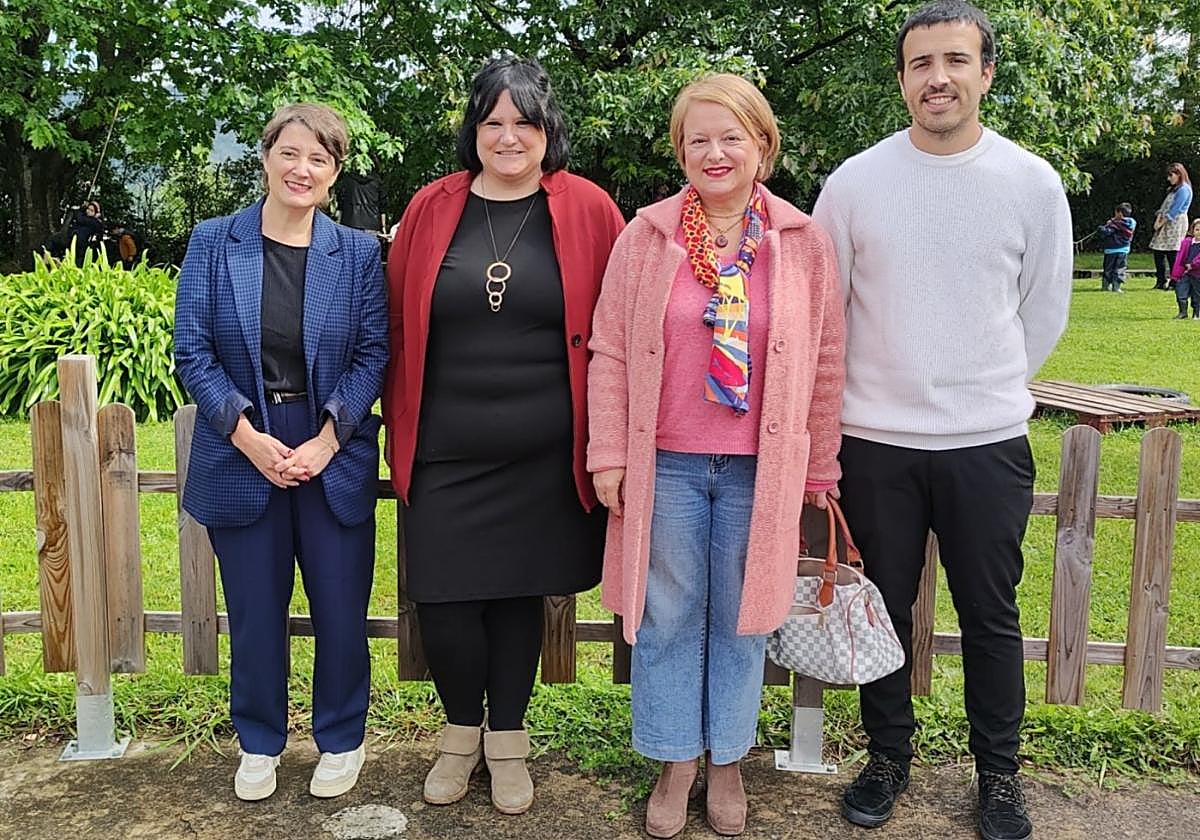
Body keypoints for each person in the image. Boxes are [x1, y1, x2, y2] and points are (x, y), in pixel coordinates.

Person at [812, 3, 1071, 839]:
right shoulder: (855, 183)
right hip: (875, 442)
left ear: (986, 73)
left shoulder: (1031, 183)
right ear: (902, 80)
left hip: (985, 443)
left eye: (956, 60)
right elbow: (827, 312)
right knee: (883, 610)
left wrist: (982, 387)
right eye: (921, 63)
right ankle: (887, 757)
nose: (939, 78)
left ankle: (999, 773)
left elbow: (1044, 311)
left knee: (991, 617)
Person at [588, 74, 845, 839]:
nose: (715, 152)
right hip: (664, 463)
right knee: (667, 615)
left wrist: (820, 466)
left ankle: (727, 759)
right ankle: (675, 760)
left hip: (758, 470)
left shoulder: (802, 242)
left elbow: (826, 359)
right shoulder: (645, 237)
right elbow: (609, 349)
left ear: (762, 144)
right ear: (680, 152)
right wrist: (609, 453)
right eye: (697, 139)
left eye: (731, 136)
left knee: (742, 617)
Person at [383, 57, 624, 816]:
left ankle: (508, 740)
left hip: (544, 454)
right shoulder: (433, 206)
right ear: (474, 130)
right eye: (493, 121)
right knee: (445, 600)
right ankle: (461, 734)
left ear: (548, 129)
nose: (509, 136)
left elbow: (620, 328)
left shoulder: (588, 208)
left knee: (519, 596)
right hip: (444, 446)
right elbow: (396, 318)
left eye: (524, 121)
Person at [174, 103, 388, 803]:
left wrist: (327, 440)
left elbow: (373, 355)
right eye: (290, 153)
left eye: (319, 159)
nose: (302, 169)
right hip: (242, 443)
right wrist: (246, 436)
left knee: (339, 609)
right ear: (265, 157)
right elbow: (193, 351)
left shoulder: (356, 253)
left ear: (334, 172)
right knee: (255, 612)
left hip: (332, 446)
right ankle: (259, 741)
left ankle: (342, 737)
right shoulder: (215, 242)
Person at [1150, 162, 1192, 289]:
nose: (1169, 179)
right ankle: (1161, 280)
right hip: (1165, 222)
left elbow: (1175, 210)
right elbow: (1164, 207)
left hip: (1175, 223)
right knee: (1158, 251)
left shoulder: (1184, 189)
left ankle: (1175, 281)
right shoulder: (1174, 189)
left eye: (1171, 175)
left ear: (1179, 174)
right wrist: (1158, 218)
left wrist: (1160, 223)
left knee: (1172, 252)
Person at [1097, 202, 1135, 292]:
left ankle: (1106, 285)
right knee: (1120, 268)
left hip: (1111, 250)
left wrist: (1101, 229)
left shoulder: (1114, 224)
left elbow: (1107, 232)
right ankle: (1116, 287)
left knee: (1108, 268)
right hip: (1124, 250)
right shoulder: (1131, 223)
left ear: (1119, 213)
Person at [1169, 218, 1200, 319]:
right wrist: (1176, 272)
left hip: (1197, 274)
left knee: (1197, 294)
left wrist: (1193, 265)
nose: (1199, 232)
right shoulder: (1186, 242)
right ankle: (1183, 312)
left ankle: (1196, 313)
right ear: (1192, 230)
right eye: (1197, 229)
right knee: (1181, 291)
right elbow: (1180, 257)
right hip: (1185, 272)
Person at [68, 200, 106, 266]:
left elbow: (79, 218)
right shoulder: (85, 218)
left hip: (85, 248)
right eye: (88, 209)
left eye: (92, 210)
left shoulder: (95, 222)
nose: (88, 211)